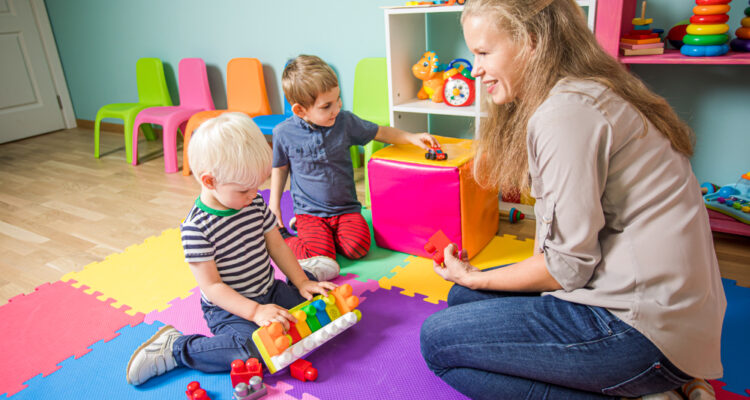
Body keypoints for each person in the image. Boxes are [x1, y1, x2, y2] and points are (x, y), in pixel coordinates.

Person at [419, 1, 726, 399]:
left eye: (482, 52)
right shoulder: (586, 90)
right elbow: (566, 246)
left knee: (437, 342)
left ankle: (647, 391)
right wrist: (473, 282)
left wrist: (478, 276)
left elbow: (567, 267)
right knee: (462, 298)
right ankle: (659, 384)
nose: (474, 68)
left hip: (643, 330)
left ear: (530, 42)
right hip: (666, 312)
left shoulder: (565, 113)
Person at [125, 112, 338, 385]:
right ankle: (176, 349)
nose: (254, 195)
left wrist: (300, 281)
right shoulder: (196, 229)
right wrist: (254, 312)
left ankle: (304, 274)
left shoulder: (252, 203)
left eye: (256, 187)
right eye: (244, 190)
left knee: (316, 316)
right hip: (229, 308)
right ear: (210, 181)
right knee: (252, 351)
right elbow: (212, 287)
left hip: (268, 289)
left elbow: (276, 244)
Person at [270, 54, 439, 270]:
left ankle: (324, 236)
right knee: (322, 259)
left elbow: (381, 132)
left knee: (357, 247)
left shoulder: (345, 122)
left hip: (345, 208)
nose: (336, 108)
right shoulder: (284, 133)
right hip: (310, 212)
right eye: (326, 106)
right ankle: (287, 238)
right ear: (300, 110)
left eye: (338, 99)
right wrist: (274, 205)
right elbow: (280, 167)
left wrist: (411, 137)